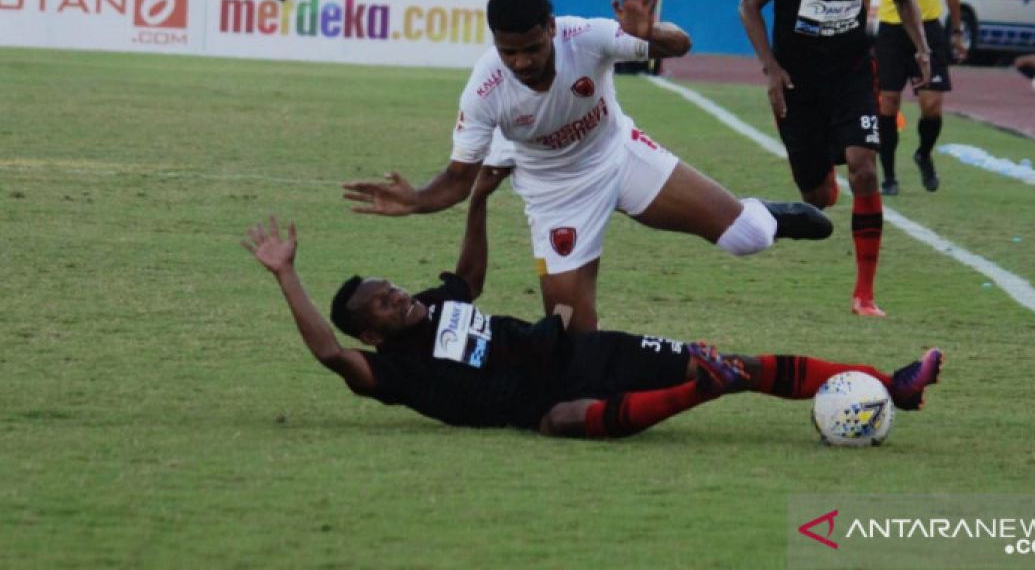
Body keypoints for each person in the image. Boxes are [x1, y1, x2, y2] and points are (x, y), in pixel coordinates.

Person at [343, 0, 834, 333]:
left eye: (532, 48)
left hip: (620, 157)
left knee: (746, 238)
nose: (522, 62)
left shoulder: (586, 36)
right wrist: (417, 201)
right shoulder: (485, 89)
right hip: (554, 195)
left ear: (551, 27)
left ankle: (762, 213)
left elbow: (681, 46)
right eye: (508, 51)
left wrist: (650, 34)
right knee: (569, 333)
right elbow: (456, 178)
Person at [241, 201, 943, 437]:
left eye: (395, 287)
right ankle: (696, 389)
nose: (402, 298)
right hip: (545, 403)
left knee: (748, 367)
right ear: (374, 333)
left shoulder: (441, 305)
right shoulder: (390, 371)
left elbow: (470, 274)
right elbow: (330, 355)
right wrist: (286, 274)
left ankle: (894, 383)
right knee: (564, 422)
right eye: (387, 303)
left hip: (583, 352)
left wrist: (481, 195)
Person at [738, 0, 930, 319]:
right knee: (818, 197)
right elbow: (749, 5)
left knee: (864, 165)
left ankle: (864, 294)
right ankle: (825, 172)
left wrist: (922, 50)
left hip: (852, 76)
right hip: (797, 83)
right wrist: (770, 67)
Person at [875, 0, 963, 196]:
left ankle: (923, 154)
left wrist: (957, 31)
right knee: (887, 104)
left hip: (928, 29)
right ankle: (888, 176)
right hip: (890, 31)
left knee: (932, 106)